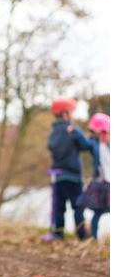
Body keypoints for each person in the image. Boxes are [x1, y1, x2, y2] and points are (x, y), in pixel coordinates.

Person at [43, 98, 93, 241]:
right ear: (65, 114)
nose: (73, 115)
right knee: (78, 206)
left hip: (57, 176)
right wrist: (78, 133)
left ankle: (58, 233)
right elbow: (86, 146)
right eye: (72, 112)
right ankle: (82, 235)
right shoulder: (72, 131)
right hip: (73, 175)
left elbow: (52, 148)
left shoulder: (53, 133)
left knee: (59, 207)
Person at [78, 113, 111, 241]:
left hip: (109, 183)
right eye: (103, 133)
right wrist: (75, 130)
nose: (105, 135)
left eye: (107, 133)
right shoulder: (94, 145)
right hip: (101, 184)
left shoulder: (110, 147)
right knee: (97, 212)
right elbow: (85, 142)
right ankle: (93, 238)